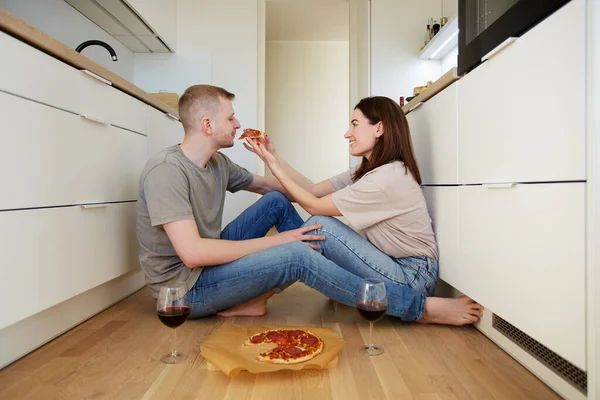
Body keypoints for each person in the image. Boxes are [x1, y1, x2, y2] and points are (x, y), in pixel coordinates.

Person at [138, 84, 481, 325]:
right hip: (185, 290)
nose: (239, 124)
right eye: (231, 118)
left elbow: (287, 192)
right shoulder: (167, 171)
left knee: (283, 209)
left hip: (408, 269)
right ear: (207, 125)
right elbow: (194, 254)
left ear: (380, 130)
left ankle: (269, 291)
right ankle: (417, 308)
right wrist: (284, 240)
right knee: (301, 249)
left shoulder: (218, 164)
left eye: (353, 124)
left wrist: (273, 159)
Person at [244, 95, 484, 325]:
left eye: (355, 125)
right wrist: (271, 155)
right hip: (390, 263)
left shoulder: (387, 177)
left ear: (378, 129)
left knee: (321, 225)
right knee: (283, 206)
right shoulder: (368, 170)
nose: (348, 133)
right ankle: (257, 295)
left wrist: (273, 165)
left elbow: (313, 205)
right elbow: (314, 190)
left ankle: (421, 308)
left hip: (412, 277)